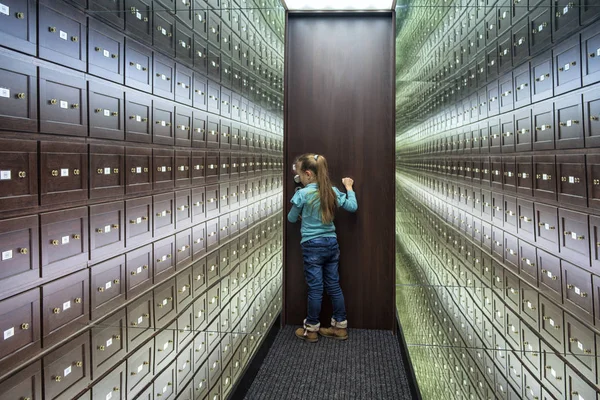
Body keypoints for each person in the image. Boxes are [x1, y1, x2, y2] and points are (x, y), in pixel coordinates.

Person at [287, 153, 358, 342]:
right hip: (331, 244)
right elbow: (352, 206)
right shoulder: (332, 190)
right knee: (334, 285)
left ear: (308, 174)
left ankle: (311, 330)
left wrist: (301, 212)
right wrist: (349, 187)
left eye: (300, 175)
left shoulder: (302, 194)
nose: (298, 178)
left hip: (312, 246)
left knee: (315, 289)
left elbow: (291, 218)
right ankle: (340, 327)